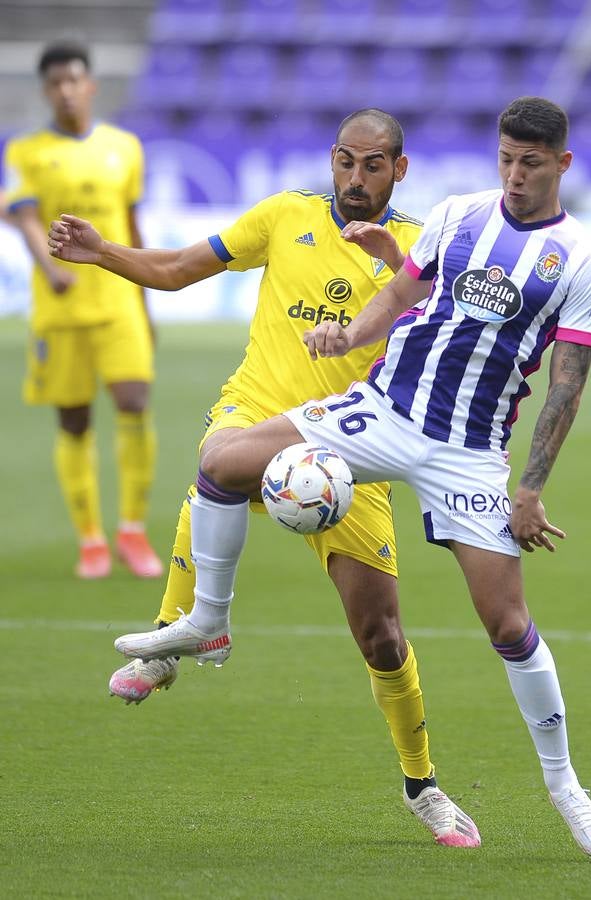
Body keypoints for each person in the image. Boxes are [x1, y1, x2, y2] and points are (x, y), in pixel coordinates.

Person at [48, 108, 481, 848]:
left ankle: (423, 785)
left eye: (372, 164)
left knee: (381, 637)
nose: (354, 177)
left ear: (398, 171)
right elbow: (182, 270)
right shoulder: (284, 215)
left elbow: (455, 330)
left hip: (350, 449)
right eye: (344, 160)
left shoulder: (417, 249)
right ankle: (176, 636)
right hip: (256, 410)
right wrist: (102, 253)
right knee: (218, 462)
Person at [3, 41, 162, 579]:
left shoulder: (124, 147)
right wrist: (49, 270)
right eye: (55, 83)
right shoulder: (25, 151)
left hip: (118, 300)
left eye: (74, 80)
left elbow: (132, 224)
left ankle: (133, 531)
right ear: (46, 90)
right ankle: (91, 538)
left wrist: (147, 297)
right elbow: (25, 216)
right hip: (61, 307)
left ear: (90, 84)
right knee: (74, 420)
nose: (65, 90)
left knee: (135, 402)